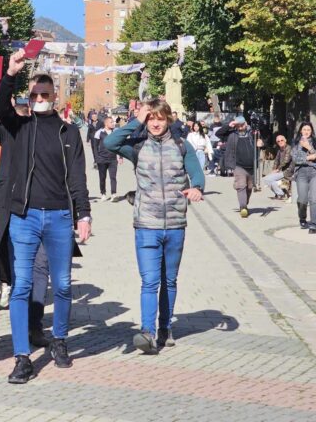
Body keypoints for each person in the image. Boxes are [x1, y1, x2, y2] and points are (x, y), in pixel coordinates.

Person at [0, 49, 92, 384]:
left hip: (60, 217)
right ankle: (22, 357)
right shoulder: (20, 126)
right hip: (24, 217)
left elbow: (78, 178)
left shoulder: (69, 133)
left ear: (54, 97)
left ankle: (60, 340)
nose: (38, 99)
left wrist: (85, 216)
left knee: (63, 285)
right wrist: (10, 74)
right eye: (34, 94)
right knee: (21, 286)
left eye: (44, 94)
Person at [104, 100, 204, 354]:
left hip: (175, 224)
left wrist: (197, 189)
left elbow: (196, 172)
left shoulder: (182, 146)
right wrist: (135, 121)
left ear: (168, 118)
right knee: (149, 281)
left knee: (169, 280)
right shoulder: (137, 147)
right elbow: (110, 143)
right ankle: (147, 332)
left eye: (159, 118)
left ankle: (165, 328)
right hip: (146, 223)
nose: (155, 123)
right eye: (150, 118)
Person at [0, 72, 52, 346]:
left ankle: (34, 326)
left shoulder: (51, 131)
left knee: (39, 271)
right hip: (12, 213)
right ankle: (22, 325)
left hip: (43, 212)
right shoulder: (9, 130)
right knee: (18, 274)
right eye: (33, 97)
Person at [216, 116, 261, 218]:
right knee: (241, 186)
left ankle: (244, 202)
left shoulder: (253, 133)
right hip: (238, 165)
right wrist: (229, 125)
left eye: (242, 125)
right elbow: (218, 133)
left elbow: (262, 143)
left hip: (252, 165)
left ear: (245, 124)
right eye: (238, 126)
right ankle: (243, 207)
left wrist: (261, 144)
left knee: (249, 187)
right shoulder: (232, 134)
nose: (240, 127)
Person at [291, 123, 316, 232]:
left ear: (311, 132)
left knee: (314, 199)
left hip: (314, 172)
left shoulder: (314, 142)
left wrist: (309, 148)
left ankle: (314, 224)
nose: (306, 131)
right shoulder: (296, 143)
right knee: (302, 200)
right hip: (301, 173)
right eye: (304, 129)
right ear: (301, 131)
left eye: (308, 130)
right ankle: (302, 217)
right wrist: (312, 156)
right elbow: (296, 160)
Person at [94, 116, 122, 201]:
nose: (113, 124)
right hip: (102, 159)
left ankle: (114, 194)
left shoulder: (115, 133)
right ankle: (103, 193)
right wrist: (96, 158)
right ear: (106, 123)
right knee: (102, 178)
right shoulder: (99, 132)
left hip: (113, 159)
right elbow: (94, 146)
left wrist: (120, 156)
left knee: (113, 177)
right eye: (111, 122)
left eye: (113, 122)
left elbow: (119, 144)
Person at [262, 133, 292, 202]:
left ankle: (281, 194)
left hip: (288, 171)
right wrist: (274, 169)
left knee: (269, 179)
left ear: (285, 140)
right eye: (278, 141)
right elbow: (276, 161)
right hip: (282, 171)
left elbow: (286, 161)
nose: (280, 142)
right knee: (267, 179)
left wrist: (278, 169)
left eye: (282, 140)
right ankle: (280, 193)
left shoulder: (288, 148)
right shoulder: (279, 150)